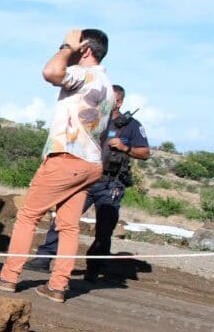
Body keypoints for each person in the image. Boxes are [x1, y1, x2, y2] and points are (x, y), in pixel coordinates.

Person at [0, 28, 114, 303]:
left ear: (85, 49)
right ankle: (58, 286)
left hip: (66, 157)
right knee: (69, 226)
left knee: (28, 216)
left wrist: (67, 48)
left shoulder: (84, 74)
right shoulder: (107, 85)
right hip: (91, 162)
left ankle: (8, 277)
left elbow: (50, 72)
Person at [24, 84, 149, 280]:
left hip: (110, 183)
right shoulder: (92, 118)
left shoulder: (131, 126)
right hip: (84, 178)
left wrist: (125, 148)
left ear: (119, 102)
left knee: (104, 228)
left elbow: (145, 152)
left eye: (111, 99)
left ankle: (94, 268)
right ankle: (44, 257)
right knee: (63, 218)